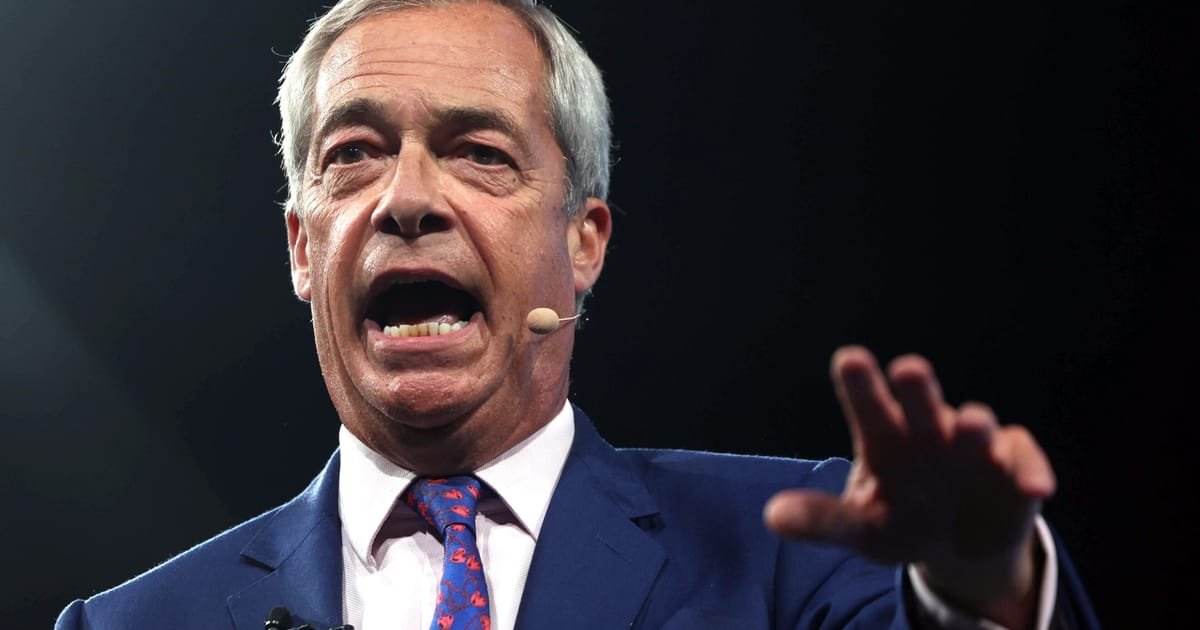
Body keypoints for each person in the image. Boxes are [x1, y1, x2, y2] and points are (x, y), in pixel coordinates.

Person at [55, 1, 1098, 628]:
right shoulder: (130, 624)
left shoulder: (800, 551)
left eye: (479, 152)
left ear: (585, 240)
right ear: (300, 246)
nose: (406, 198)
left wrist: (980, 595)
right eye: (353, 155)